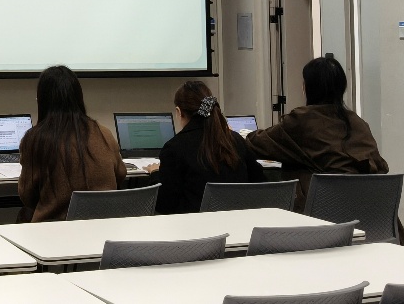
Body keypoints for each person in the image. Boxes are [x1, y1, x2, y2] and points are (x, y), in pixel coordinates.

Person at [245, 56, 389, 210]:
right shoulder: (358, 123)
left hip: (324, 214)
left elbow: (255, 144)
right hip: (372, 212)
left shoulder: (302, 120)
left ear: (308, 87)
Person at [17, 64, 128, 222]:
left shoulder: (35, 139)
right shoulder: (104, 133)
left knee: (23, 215)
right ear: (79, 98)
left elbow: (27, 196)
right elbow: (120, 175)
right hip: (102, 227)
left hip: (52, 230)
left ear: (41, 101)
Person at [147, 81, 265, 214]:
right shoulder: (235, 140)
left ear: (179, 112)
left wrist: (155, 174)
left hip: (194, 225)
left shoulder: (174, 147)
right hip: (239, 222)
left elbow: (165, 205)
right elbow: (259, 183)